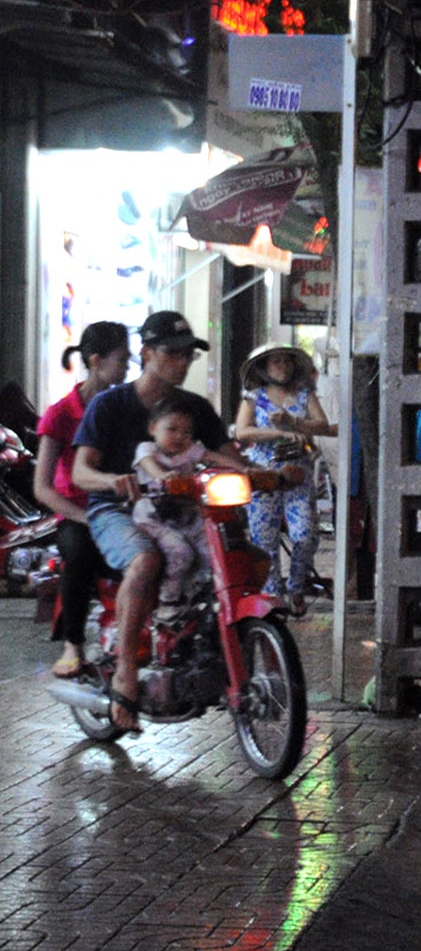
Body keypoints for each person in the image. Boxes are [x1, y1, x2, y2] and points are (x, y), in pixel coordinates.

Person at [71, 311, 267, 730]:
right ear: (145, 353)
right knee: (146, 561)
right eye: (173, 353)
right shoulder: (109, 404)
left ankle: (216, 648)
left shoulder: (195, 409)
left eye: (187, 355)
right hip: (118, 510)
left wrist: (268, 473)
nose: (182, 362)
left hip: (185, 510)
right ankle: (125, 670)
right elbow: (80, 473)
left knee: (251, 557)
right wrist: (114, 481)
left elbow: (225, 457)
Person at [33, 321, 130, 678]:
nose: (127, 368)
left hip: (120, 510)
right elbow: (42, 488)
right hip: (77, 515)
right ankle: (73, 644)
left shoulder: (126, 410)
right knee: (80, 553)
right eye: (121, 360)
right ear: (95, 360)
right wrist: (84, 518)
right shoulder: (60, 414)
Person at [234, 344, 335, 616]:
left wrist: (294, 424)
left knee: (306, 534)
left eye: (286, 362)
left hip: (297, 475)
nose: (282, 367)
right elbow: (243, 432)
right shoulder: (254, 397)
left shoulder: (304, 394)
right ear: (264, 368)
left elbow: (322, 424)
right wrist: (278, 433)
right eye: (276, 362)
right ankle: (273, 596)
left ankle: (297, 586)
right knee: (264, 539)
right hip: (263, 474)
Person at [131, 391, 214, 612]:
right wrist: (162, 476)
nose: (179, 436)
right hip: (154, 519)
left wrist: (243, 469)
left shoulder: (190, 451)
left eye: (187, 432)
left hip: (187, 515)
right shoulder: (147, 450)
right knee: (180, 552)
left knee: (213, 545)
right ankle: (169, 599)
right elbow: (149, 465)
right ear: (153, 428)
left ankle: (200, 591)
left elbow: (213, 457)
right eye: (172, 429)